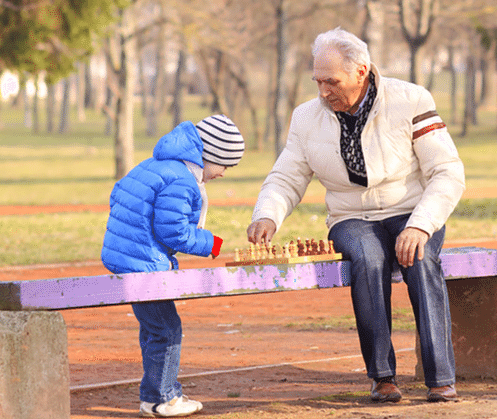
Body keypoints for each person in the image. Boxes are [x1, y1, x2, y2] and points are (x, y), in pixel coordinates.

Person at [246, 28, 465, 403]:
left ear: (361, 72)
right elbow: (287, 176)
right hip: (350, 217)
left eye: (332, 81)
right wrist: (267, 214)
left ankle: (440, 377)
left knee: (421, 259)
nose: (323, 91)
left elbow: (448, 172)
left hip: (410, 210)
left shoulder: (410, 99)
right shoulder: (305, 117)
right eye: (318, 80)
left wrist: (420, 225)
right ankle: (382, 377)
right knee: (368, 257)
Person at [101, 114, 244, 417]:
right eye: (224, 165)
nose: (223, 174)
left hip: (128, 256)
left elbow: (119, 195)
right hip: (144, 264)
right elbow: (174, 231)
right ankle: (160, 398)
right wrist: (210, 243)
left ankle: (158, 391)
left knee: (154, 328)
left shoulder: (157, 164)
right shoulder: (180, 179)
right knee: (166, 330)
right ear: (210, 155)